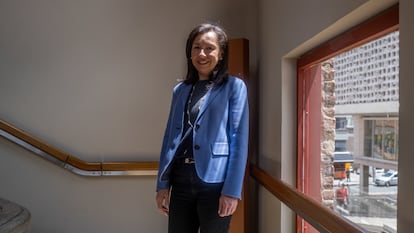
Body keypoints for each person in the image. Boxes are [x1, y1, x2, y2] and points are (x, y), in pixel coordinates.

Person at [155, 23, 249, 233]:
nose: (202, 54)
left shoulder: (234, 87)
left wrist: (232, 191)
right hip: (180, 180)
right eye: (196, 47)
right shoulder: (180, 90)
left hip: (215, 183)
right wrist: (162, 185)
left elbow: (239, 140)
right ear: (189, 52)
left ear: (221, 52)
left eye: (209, 48)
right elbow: (169, 137)